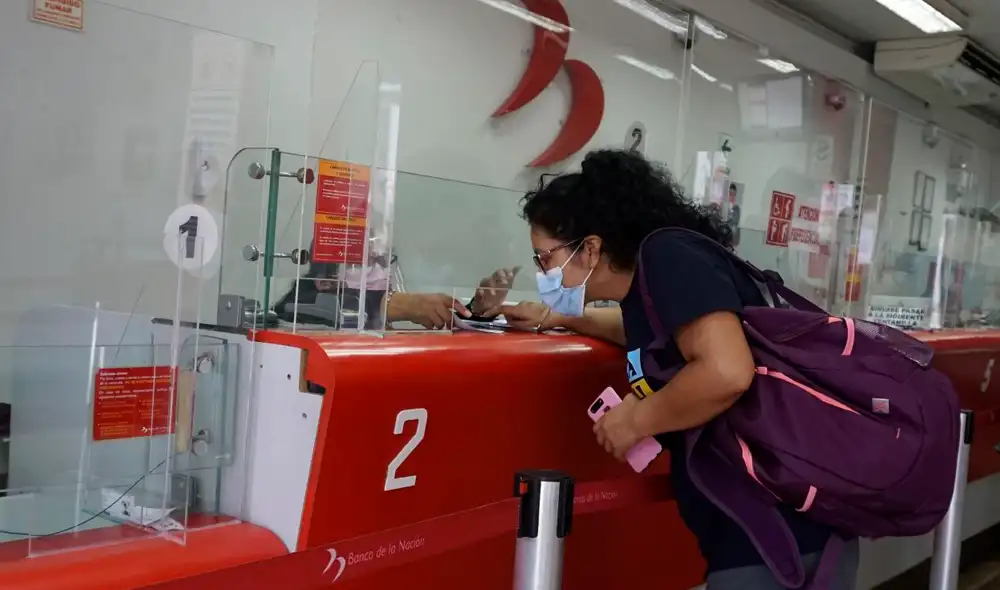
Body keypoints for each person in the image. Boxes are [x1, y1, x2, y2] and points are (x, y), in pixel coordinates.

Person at [502, 149, 858, 589]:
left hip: (774, 536)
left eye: (546, 258)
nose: (543, 272)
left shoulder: (669, 259)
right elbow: (670, 336)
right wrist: (563, 317)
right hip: (772, 530)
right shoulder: (654, 281)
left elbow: (726, 371)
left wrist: (636, 420)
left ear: (590, 247)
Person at [274, 259, 515, 330]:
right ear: (325, 282)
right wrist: (387, 303)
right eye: (364, 264)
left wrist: (475, 312)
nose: (381, 271)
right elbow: (290, 306)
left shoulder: (398, 317)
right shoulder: (298, 306)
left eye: (384, 261)